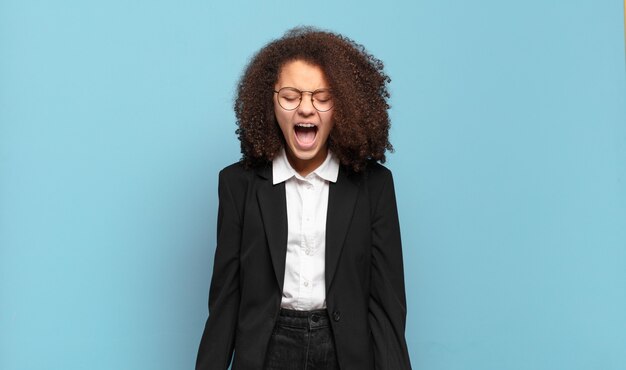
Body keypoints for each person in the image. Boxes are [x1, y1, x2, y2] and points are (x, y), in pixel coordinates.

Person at [196, 26, 411, 370]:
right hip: (266, 350)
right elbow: (225, 302)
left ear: (342, 106)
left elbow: (387, 305)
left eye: (322, 97)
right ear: (270, 102)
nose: (306, 109)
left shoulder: (375, 186)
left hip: (345, 352)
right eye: (291, 96)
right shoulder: (237, 185)